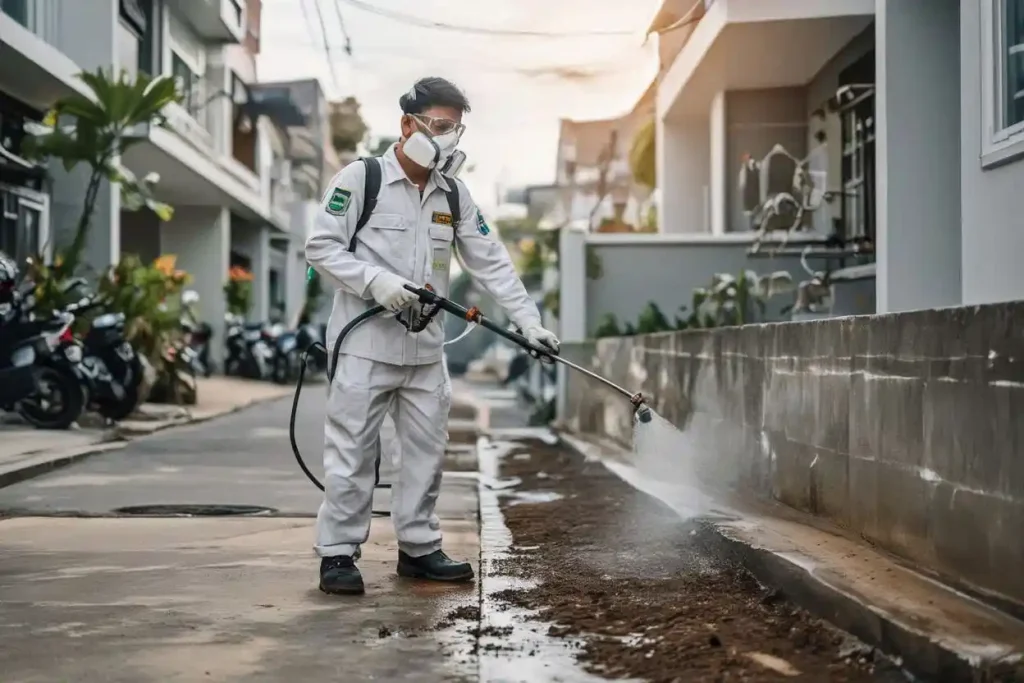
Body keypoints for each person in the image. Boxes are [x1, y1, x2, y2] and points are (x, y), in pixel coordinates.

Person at [305, 77, 559, 595]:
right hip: (364, 346)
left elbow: (493, 265)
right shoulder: (362, 179)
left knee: (426, 452)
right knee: (354, 451)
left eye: (455, 129)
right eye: (439, 127)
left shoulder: (454, 195)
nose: (447, 139)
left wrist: (528, 321)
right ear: (408, 125)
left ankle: (418, 549)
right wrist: (376, 282)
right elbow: (321, 247)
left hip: (425, 350)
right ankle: (337, 553)